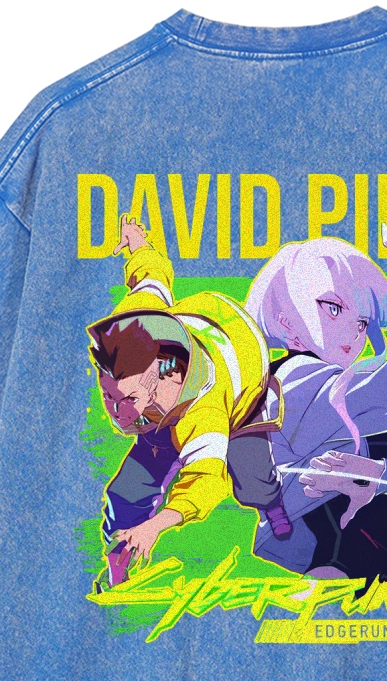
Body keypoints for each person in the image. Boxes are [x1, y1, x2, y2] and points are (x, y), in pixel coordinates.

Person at [244, 203, 387, 590]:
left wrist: (386, 475)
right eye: (333, 308)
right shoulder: (297, 385)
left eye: (362, 322)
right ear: (286, 321)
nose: (353, 334)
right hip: (322, 574)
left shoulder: (378, 412)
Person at [89, 216, 292, 588]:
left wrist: (155, 526)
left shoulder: (205, 410)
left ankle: (272, 506)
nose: (117, 414)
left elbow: (206, 483)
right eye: (109, 397)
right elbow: (152, 273)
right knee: (127, 494)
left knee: (253, 480)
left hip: (244, 390)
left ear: (162, 378)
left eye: (128, 399)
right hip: (176, 383)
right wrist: (136, 241)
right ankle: (119, 562)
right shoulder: (134, 317)